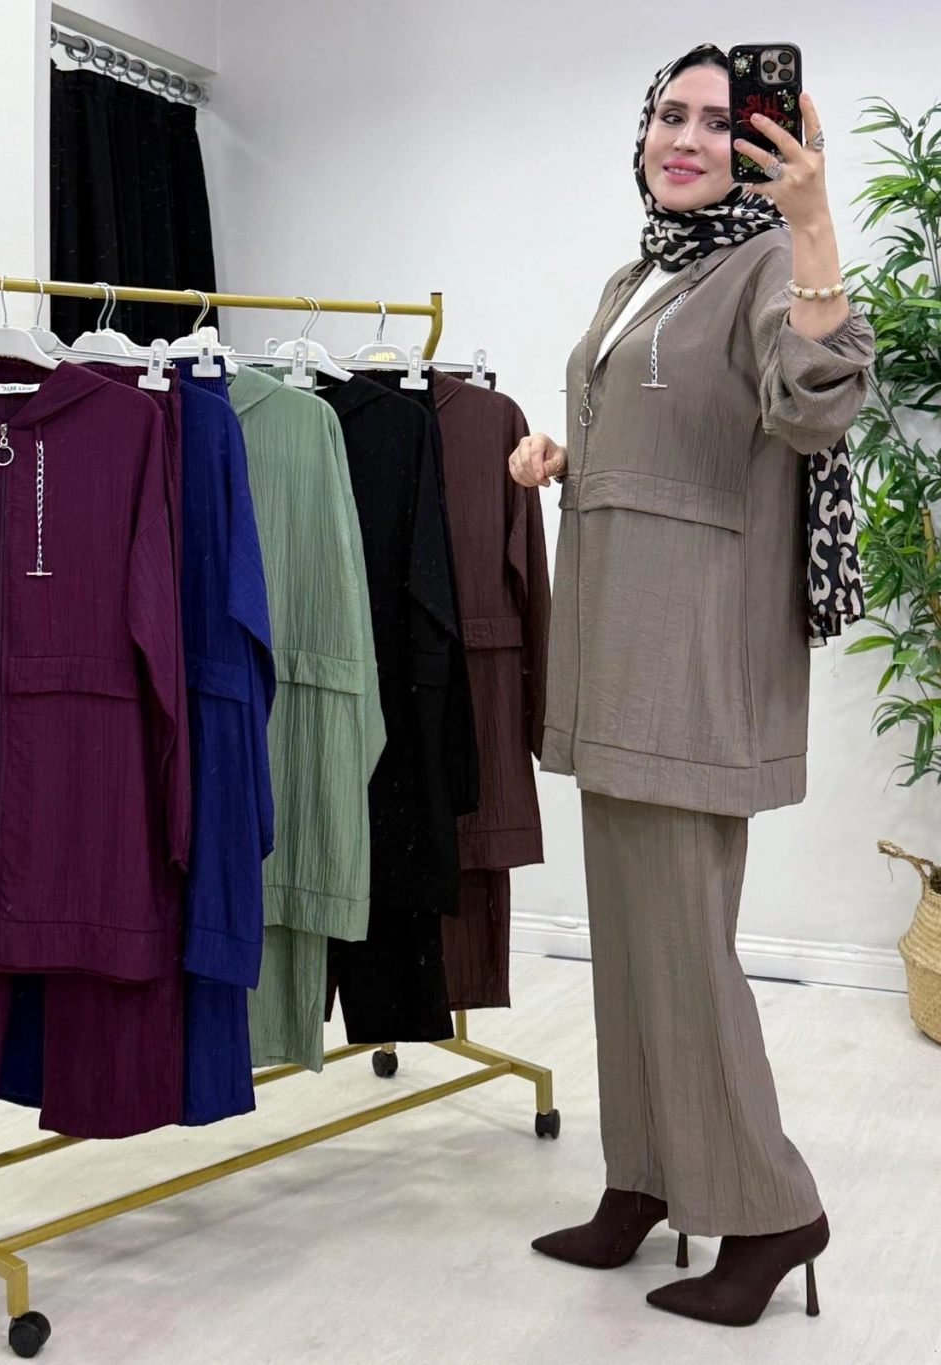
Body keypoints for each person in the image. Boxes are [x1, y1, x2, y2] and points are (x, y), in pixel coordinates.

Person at [509, 43, 874, 1327]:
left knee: (686, 948)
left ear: (763, 147)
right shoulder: (640, 275)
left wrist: (813, 221)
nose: (686, 137)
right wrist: (565, 457)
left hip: (693, 660)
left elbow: (815, 404)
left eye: (721, 122)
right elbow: (669, 437)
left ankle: (771, 1210)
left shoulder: (766, 263)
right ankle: (647, 1178)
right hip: (615, 651)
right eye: (670, 113)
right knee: (630, 944)